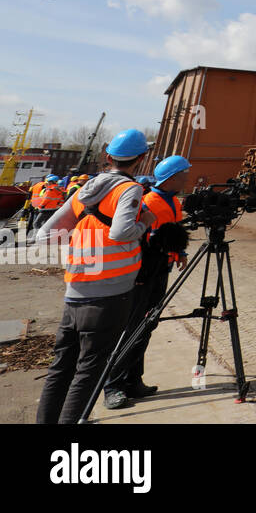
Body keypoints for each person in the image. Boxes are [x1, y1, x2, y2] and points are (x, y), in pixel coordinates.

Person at [33, 129, 155, 424]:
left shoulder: (83, 190)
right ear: (141, 158)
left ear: (108, 156)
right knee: (89, 372)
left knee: (61, 368)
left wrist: (85, 239)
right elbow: (122, 232)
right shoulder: (130, 189)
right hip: (109, 296)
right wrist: (145, 223)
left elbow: (44, 235)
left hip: (75, 293)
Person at [103, 155, 191, 408]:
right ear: (172, 177)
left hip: (161, 269)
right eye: (183, 174)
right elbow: (142, 238)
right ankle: (113, 386)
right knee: (132, 329)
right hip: (143, 273)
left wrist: (180, 252)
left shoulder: (173, 201)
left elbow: (172, 233)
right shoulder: (148, 201)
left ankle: (134, 381)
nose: (187, 178)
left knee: (147, 326)